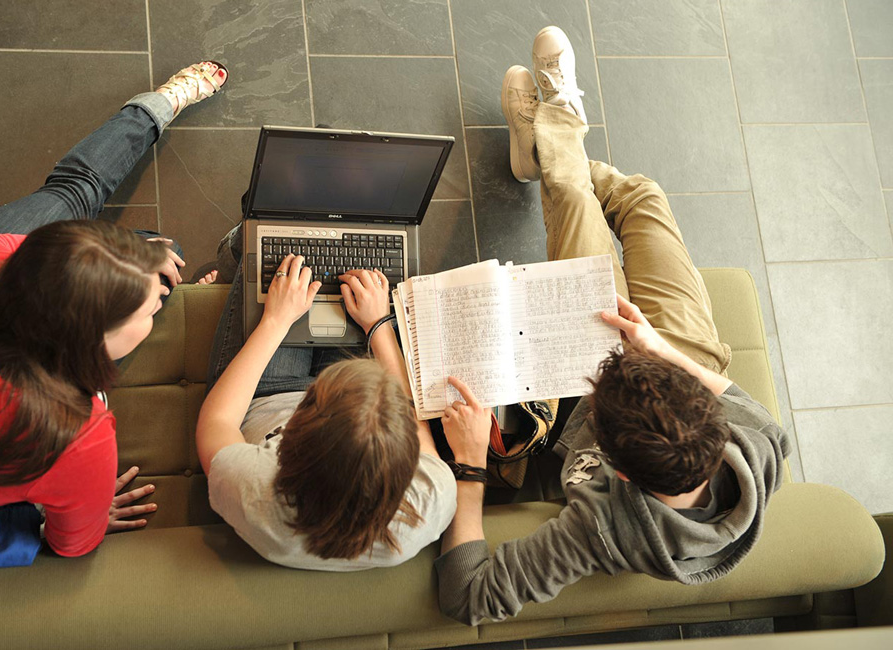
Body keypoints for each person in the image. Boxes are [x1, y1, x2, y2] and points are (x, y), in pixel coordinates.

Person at [434, 27, 790, 624]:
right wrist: (655, 348)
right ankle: (548, 144)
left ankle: (554, 141)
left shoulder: (606, 528)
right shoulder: (761, 448)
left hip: (581, 361)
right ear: (713, 425)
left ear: (615, 467)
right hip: (679, 350)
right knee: (641, 197)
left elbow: (470, 597)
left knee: (576, 201)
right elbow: (722, 388)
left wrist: (469, 470)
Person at [0, 61, 228, 561]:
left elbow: (34, 252)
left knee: (79, 203)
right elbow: (73, 544)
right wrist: (90, 511)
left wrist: (129, 261)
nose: (159, 303)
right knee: (162, 247)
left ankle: (154, 114)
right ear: (88, 343)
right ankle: (157, 110)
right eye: (149, 308)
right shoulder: (77, 437)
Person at [193, 228, 457, 571]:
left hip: (266, 393)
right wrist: (377, 325)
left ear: (294, 431)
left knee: (269, 238)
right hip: (340, 404)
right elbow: (405, 412)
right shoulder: (429, 501)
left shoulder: (253, 488)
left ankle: (228, 261)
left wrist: (276, 320)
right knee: (356, 250)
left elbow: (216, 422)